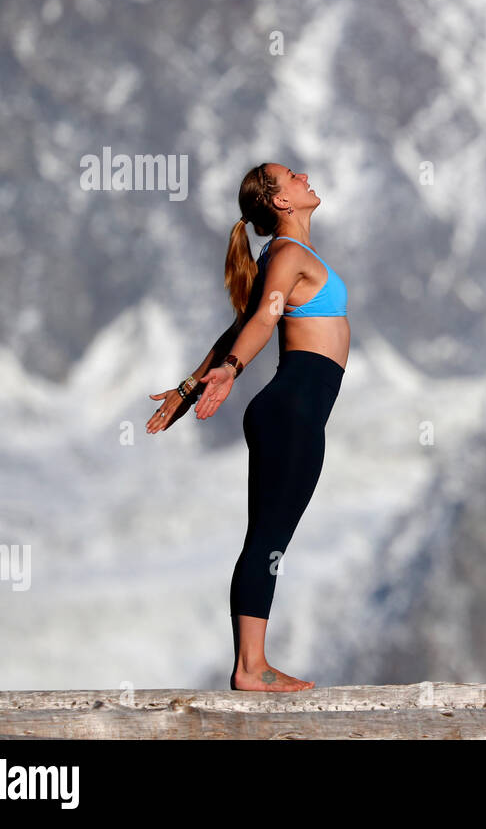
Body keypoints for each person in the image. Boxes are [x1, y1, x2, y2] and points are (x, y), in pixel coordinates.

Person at [146, 162, 348, 691]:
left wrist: (189, 387)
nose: (305, 175)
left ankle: (252, 663)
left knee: (265, 540)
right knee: (268, 541)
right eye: (291, 176)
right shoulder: (288, 254)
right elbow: (263, 319)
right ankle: (250, 667)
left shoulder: (281, 255)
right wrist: (231, 371)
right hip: (295, 409)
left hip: (289, 409)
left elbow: (241, 323)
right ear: (281, 202)